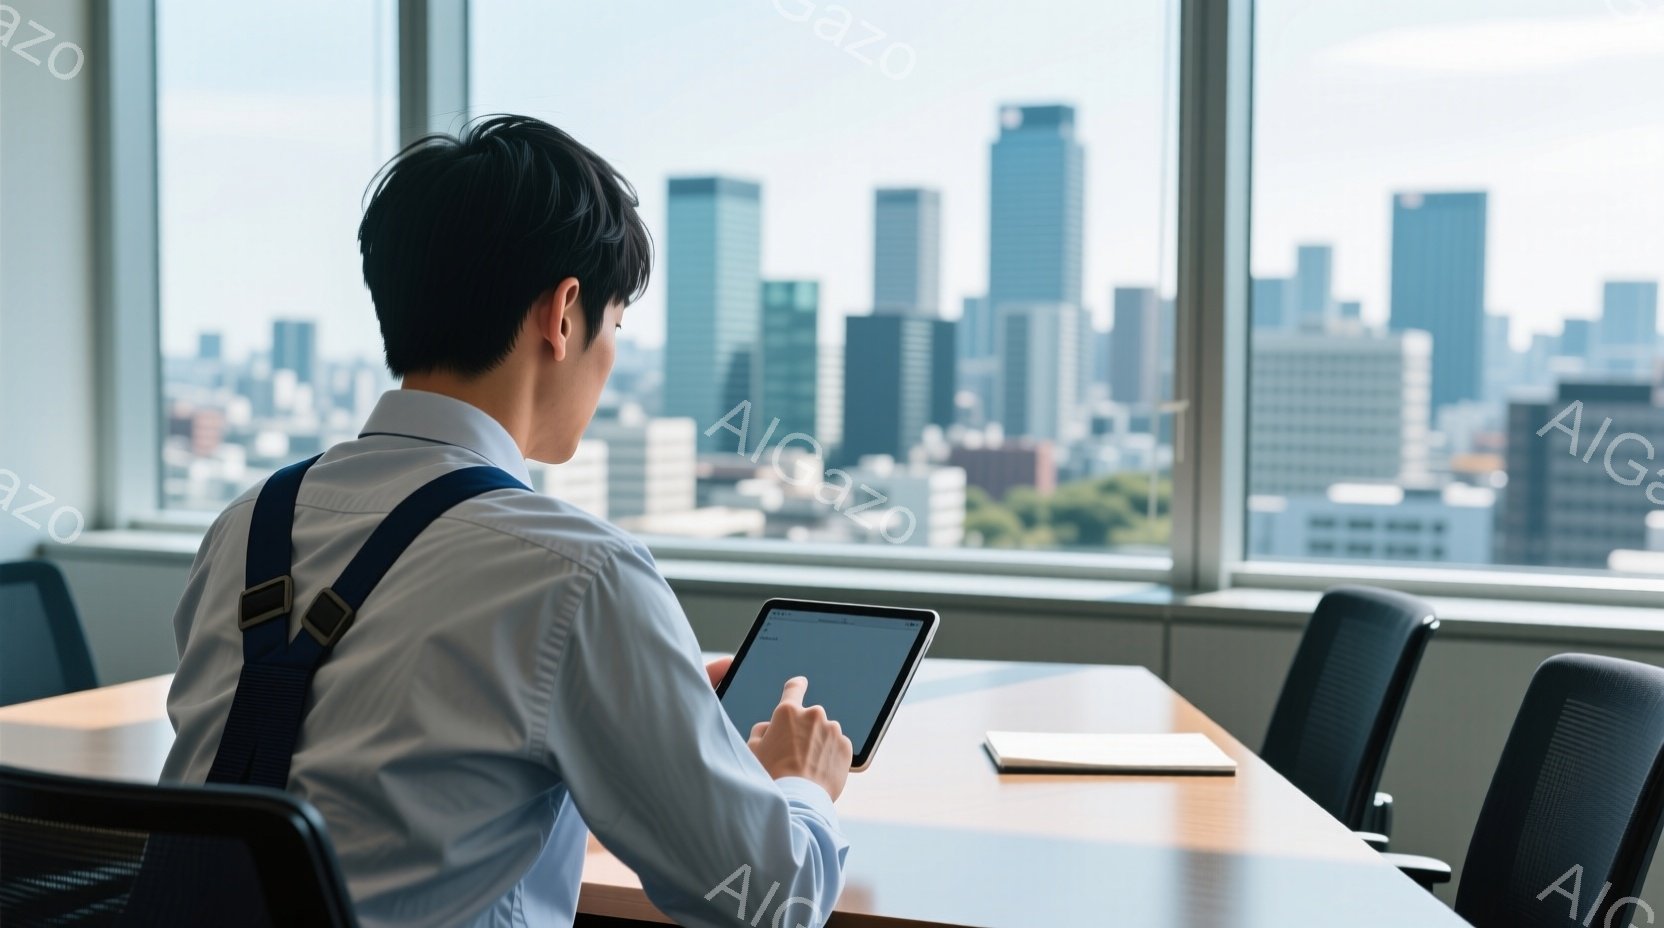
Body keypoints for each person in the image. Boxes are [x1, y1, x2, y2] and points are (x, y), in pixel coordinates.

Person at [160, 115, 852, 928]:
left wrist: (636, 706)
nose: (612, 357)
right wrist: (802, 783)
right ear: (563, 314)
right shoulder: (579, 572)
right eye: (616, 326)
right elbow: (772, 905)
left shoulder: (245, 526)